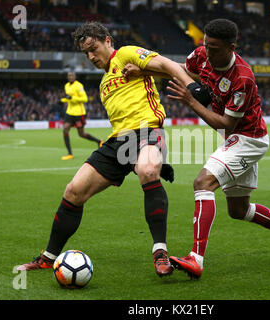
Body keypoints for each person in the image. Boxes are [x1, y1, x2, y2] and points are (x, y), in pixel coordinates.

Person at [17, 22, 195, 277]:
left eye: (93, 48)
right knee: (73, 191)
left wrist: (191, 85)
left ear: (107, 41)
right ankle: (48, 258)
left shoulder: (126, 54)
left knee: (146, 169)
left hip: (147, 132)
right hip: (117, 142)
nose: (91, 56)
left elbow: (167, 66)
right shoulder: (104, 84)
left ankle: (160, 252)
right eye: (86, 53)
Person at [165, 19, 270, 279]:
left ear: (231, 47)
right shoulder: (201, 54)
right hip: (235, 138)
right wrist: (145, 70)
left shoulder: (242, 78)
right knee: (239, 211)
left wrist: (191, 101)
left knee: (203, 182)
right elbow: (182, 69)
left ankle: (196, 259)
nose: (208, 53)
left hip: (249, 138)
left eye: (214, 48)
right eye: (206, 46)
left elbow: (225, 123)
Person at [60, 71, 103, 160]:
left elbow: (85, 99)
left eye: (72, 75)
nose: (70, 77)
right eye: (69, 75)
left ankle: (99, 141)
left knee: (81, 134)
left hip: (79, 113)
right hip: (70, 112)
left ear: (75, 76)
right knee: (65, 129)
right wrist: (64, 100)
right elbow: (69, 99)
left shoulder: (79, 86)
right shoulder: (66, 86)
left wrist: (72, 98)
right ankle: (70, 153)